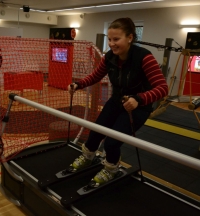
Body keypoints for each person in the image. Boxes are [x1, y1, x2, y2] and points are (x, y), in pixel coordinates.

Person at [67, 17, 168, 187]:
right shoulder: (110, 57)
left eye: (116, 39)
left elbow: (163, 88)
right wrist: (78, 84)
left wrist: (139, 98)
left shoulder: (144, 57)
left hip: (138, 107)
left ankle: (111, 168)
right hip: (117, 101)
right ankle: (88, 156)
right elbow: (96, 76)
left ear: (130, 38)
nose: (112, 44)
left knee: (112, 142)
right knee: (95, 132)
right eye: (110, 39)